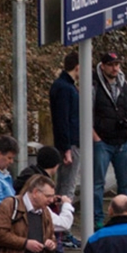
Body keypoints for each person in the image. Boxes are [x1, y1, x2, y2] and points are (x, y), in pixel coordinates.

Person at [91, 51, 127, 223]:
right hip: (102, 142)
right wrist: (96, 138)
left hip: (123, 142)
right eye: (111, 65)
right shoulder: (94, 86)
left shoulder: (125, 86)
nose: (115, 68)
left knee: (125, 183)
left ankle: (125, 216)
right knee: (97, 184)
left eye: (117, 64)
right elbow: (85, 114)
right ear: (103, 66)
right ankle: (97, 219)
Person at [48, 51, 81, 194]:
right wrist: (67, 149)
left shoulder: (64, 86)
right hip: (71, 143)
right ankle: (64, 213)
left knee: (65, 182)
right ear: (78, 67)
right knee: (68, 184)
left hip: (69, 143)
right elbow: (62, 119)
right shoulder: (65, 88)